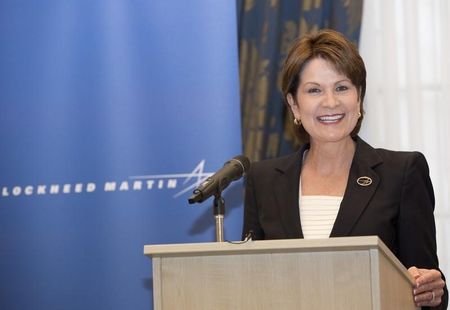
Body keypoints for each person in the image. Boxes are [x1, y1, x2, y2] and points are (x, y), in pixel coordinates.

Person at [242, 29, 447, 309]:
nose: (331, 102)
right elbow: (248, 281)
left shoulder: (403, 172)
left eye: (342, 87)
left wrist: (432, 290)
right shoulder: (263, 180)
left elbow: (429, 287)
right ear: (294, 104)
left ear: (359, 96)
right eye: (314, 90)